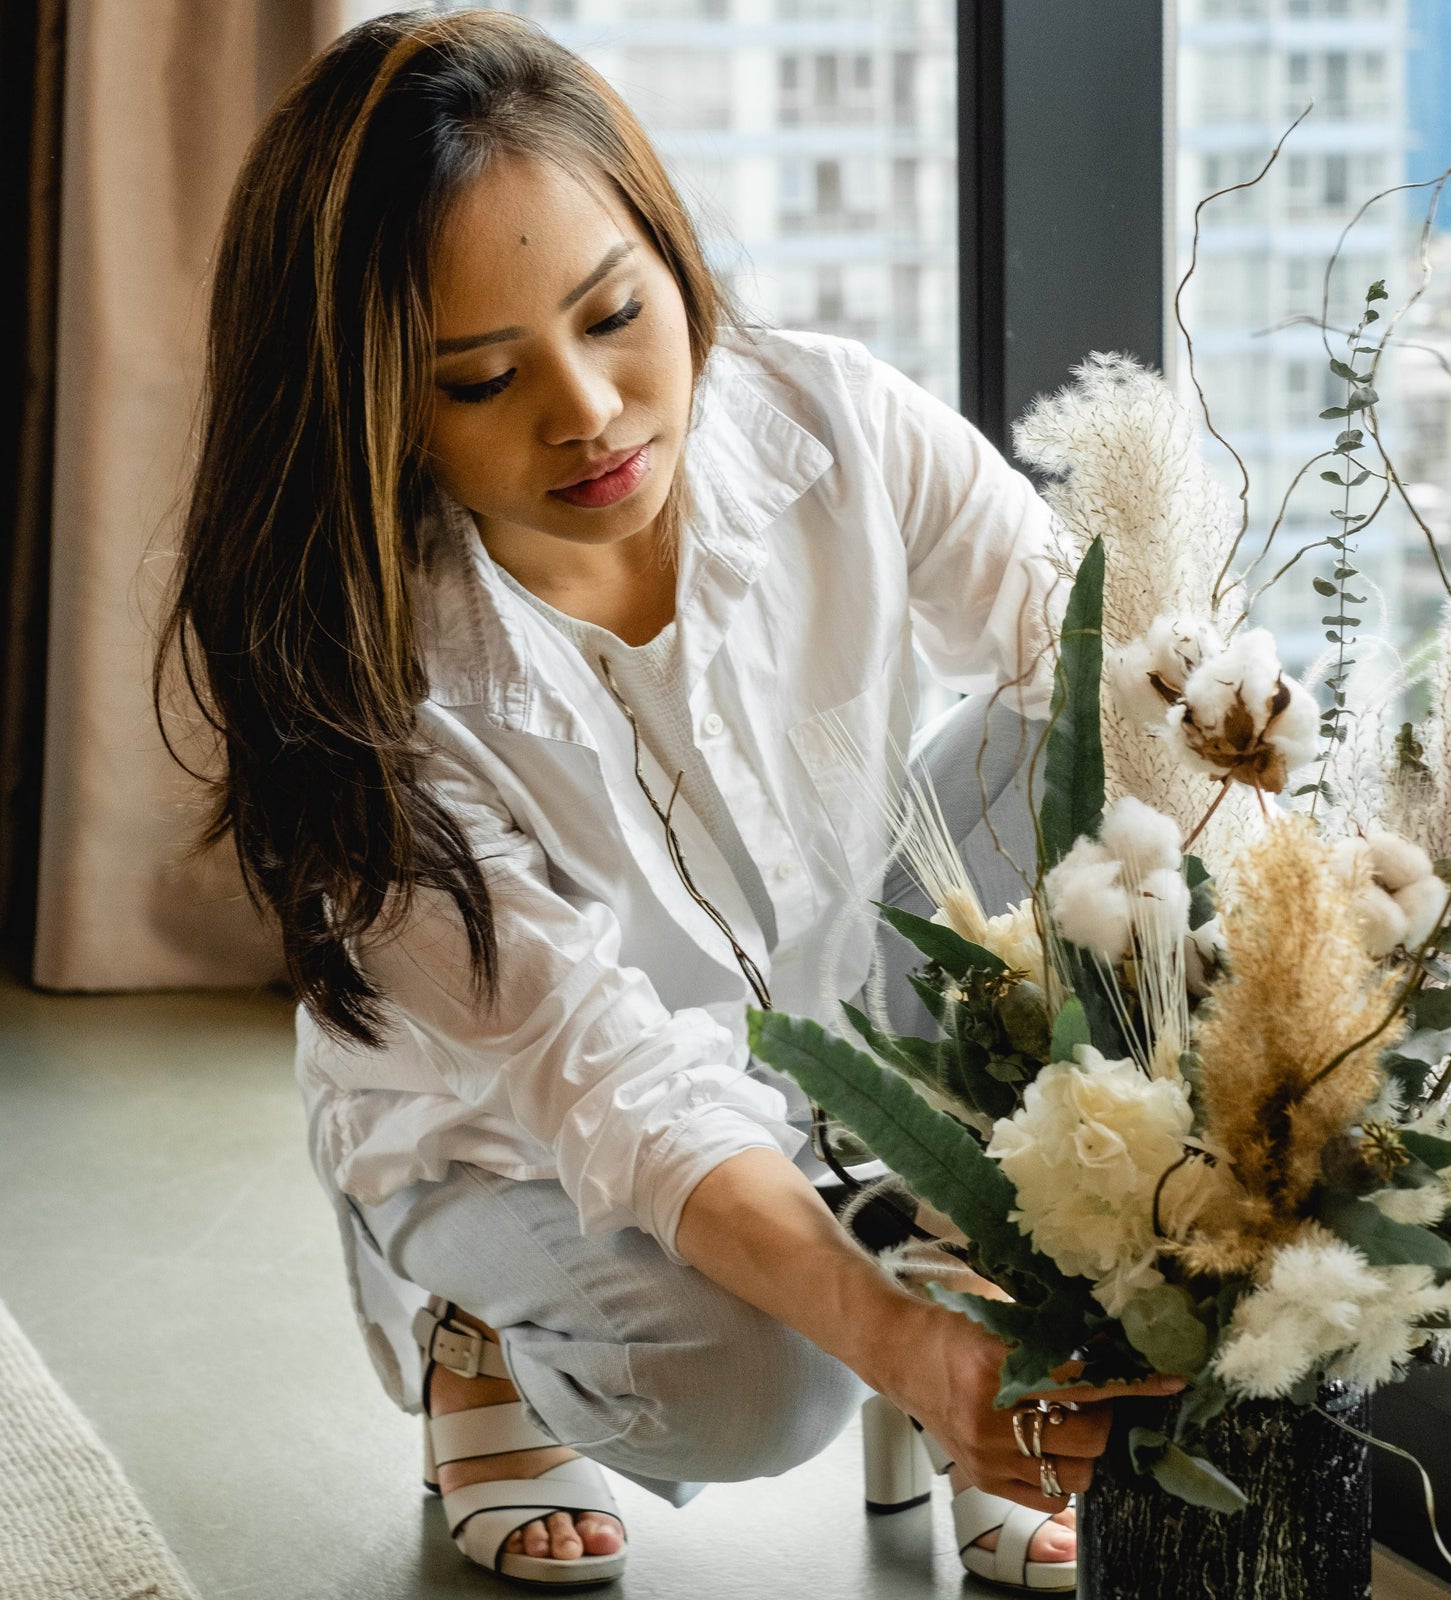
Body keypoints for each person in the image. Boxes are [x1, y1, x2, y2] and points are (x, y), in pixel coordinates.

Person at [156, 9, 1182, 1593]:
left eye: (616, 312)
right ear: (375, 410)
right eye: (483, 379)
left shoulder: (832, 418)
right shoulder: (357, 697)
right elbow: (614, 1089)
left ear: (665, 248)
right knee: (753, 1391)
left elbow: (1114, 670)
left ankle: (978, 1321)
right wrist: (886, 1340)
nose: (587, 411)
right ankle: (477, 1329)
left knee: (1119, 764)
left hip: (839, 1012)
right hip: (514, 1126)